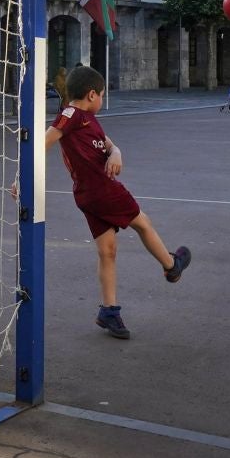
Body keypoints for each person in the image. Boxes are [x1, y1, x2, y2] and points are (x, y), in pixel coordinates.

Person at [46, 65, 191, 339]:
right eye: (102, 95)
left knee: (107, 251)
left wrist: (116, 152)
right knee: (143, 223)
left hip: (89, 196)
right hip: (104, 190)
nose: (102, 99)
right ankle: (172, 266)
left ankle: (109, 311)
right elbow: (45, 140)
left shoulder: (86, 117)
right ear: (91, 95)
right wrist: (22, 177)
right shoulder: (72, 115)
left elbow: (108, 144)